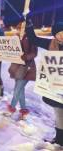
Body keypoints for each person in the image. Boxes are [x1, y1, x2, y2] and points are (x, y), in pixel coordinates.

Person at [25, 17, 63, 146]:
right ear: (55, 35)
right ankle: (59, 140)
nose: (62, 36)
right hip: (58, 88)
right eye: (59, 33)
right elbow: (34, 39)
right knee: (59, 114)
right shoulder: (51, 44)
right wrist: (29, 26)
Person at [6, 21, 37, 120]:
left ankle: (11, 109)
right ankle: (24, 111)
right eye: (19, 28)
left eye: (22, 28)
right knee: (20, 91)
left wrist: (26, 57)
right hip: (16, 68)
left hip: (27, 68)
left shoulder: (31, 38)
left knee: (17, 90)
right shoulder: (15, 38)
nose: (20, 30)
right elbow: (10, 49)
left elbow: (34, 53)